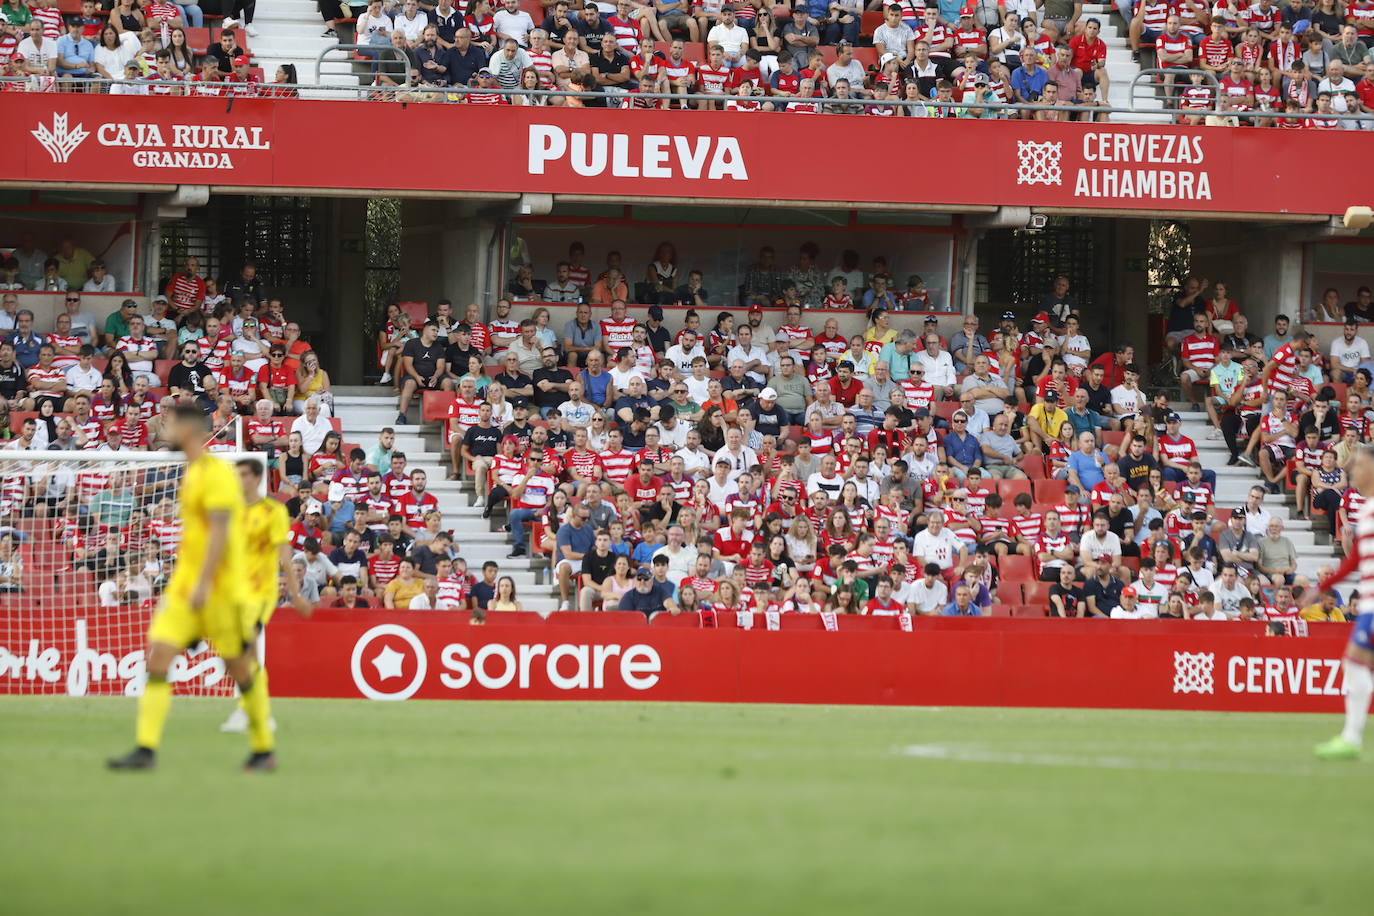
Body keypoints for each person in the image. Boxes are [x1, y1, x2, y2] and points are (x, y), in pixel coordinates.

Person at [107, 405, 278, 771]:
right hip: (186, 590)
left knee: (239, 669)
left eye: (170, 424)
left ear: (187, 429)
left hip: (219, 591)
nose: (163, 429)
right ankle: (145, 748)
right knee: (157, 658)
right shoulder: (191, 473)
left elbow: (219, 532)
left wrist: (203, 584)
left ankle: (263, 747)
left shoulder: (216, 474)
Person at [219, 459, 313, 734]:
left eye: (244, 475)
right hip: (235, 590)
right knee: (237, 653)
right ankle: (254, 709)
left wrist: (295, 594)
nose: (239, 480)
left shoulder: (274, 512)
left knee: (246, 646)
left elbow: (284, 555)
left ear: (258, 478)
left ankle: (252, 711)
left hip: (261, 590)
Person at [1312, 444, 1374, 759]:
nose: (1352, 471)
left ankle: (1351, 738)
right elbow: (1355, 561)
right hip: (1369, 605)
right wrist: (1322, 586)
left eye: (1358, 465)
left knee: (1355, 663)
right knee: (1355, 663)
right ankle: (1351, 738)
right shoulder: (1365, 510)